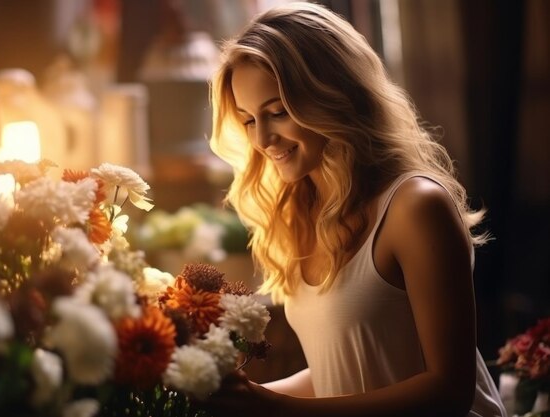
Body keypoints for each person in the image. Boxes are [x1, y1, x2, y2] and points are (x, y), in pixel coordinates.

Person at [202, 2, 507, 417]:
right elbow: (347, 371)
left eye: (278, 112)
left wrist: (278, 409)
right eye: (249, 120)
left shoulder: (415, 207)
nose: (263, 139)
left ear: (333, 97)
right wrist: (249, 397)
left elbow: (449, 391)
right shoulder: (301, 212)